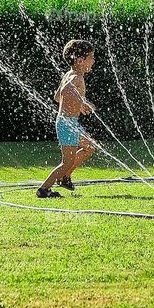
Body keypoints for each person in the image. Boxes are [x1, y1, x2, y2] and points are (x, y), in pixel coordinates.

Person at [37, 39, 96, 198]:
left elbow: (58, 96)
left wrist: (76, 102)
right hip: (67, 123)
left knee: (89, 147)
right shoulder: (76, 77)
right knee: (66, 162)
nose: (93, 60)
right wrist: (82, 102)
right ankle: (44, 189)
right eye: (91, 57)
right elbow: (66, 89)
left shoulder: (69, 75)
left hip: (70, 122)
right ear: (80, 60)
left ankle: (65, 176)